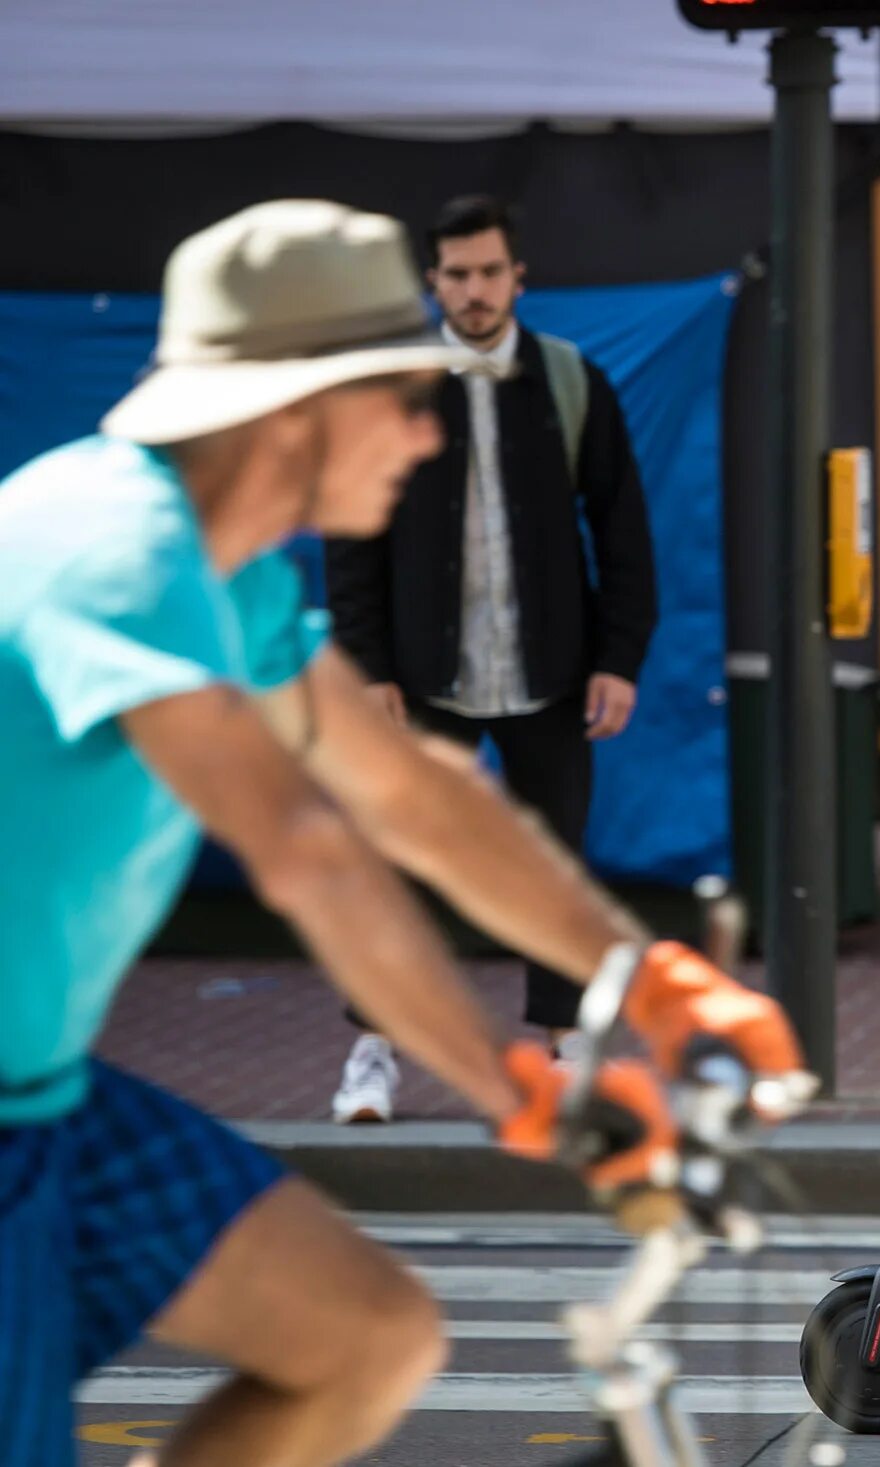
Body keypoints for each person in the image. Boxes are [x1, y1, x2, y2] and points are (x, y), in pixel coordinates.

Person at [0, 200, 806, 1467]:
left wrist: (640, 980)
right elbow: (311, 848)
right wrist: (520, 1095)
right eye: (403, 395)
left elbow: (414, 795)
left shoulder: (233, 571)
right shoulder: (126, 555)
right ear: (293, 411)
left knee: (366, 1334)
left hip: (41, 1101)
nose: (429, 429)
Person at [325, 194, 659, 1121]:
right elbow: (351, 535)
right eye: (457, 274)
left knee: (551, 864)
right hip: (418, 673)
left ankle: (556, 1053)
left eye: (489, 272)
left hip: (546, 667)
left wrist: (617, 658)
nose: (474, 291)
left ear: (518, 276)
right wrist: (369, 668)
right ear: (433, 283)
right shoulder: (393, 389)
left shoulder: (567, 380)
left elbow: (624, 531)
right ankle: (374, 1051)